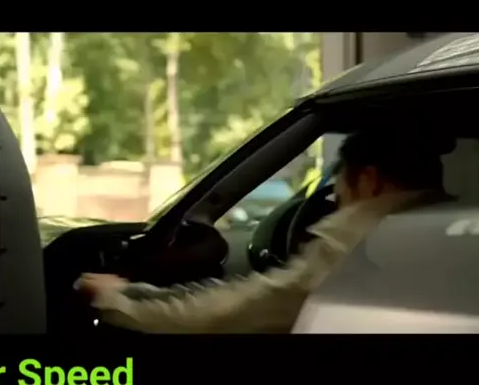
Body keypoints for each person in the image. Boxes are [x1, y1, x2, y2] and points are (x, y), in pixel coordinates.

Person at [75, 131, 455, 333]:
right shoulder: (455, 232)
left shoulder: (361, 248)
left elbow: (227, 315)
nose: (339, 210)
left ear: (370, 180)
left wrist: (117, 300)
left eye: (341, 198)